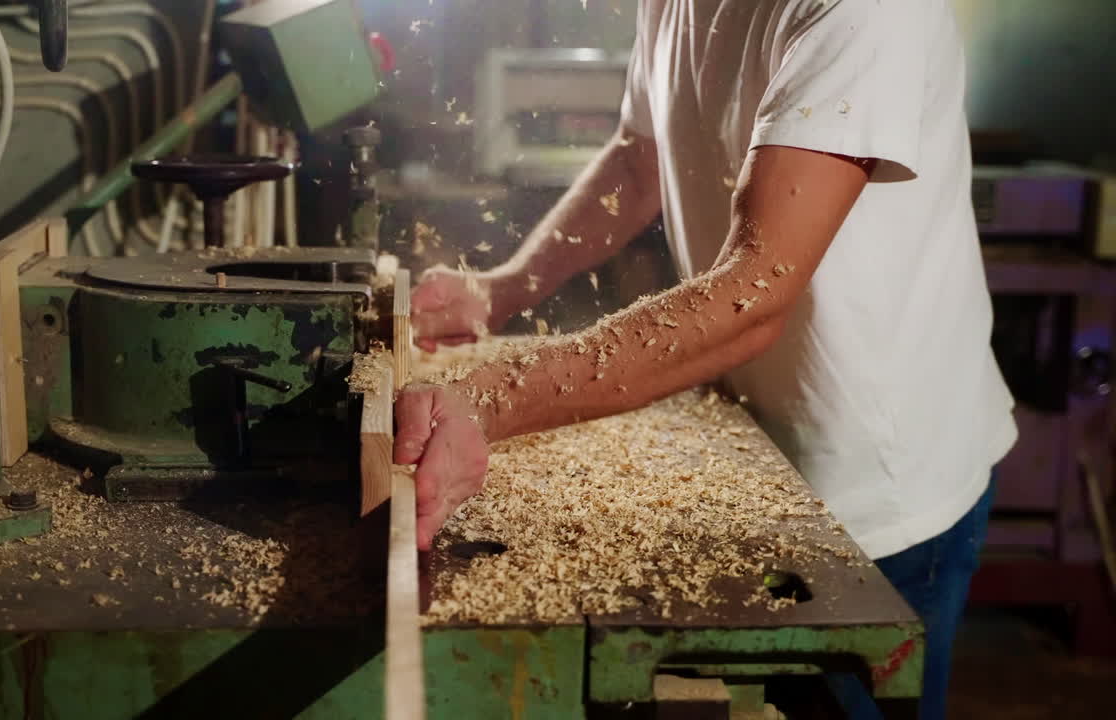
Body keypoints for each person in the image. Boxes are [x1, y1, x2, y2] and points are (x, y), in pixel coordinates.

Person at [393, 1, 1017, 717]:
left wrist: (492, 397)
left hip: (882, 480)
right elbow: (639, 158)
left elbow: (755, 296)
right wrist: (504, 289)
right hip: (763, 450)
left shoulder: (868, 10)